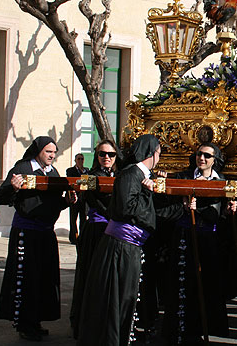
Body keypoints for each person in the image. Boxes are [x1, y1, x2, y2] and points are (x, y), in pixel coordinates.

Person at [77, 134, 183, 345]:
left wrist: (181, 208)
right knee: (115, 299)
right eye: (159, 153)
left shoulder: (141, 176)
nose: (159, 158)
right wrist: (147, 193)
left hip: (131, 247)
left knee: (126, 298)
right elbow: (126, 208)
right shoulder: (130, 174)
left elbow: (153, 210)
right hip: (119, 246)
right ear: (152, 153)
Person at [0, 136, 74, 341]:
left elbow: (54, 203)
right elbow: (1, 197)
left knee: (43, 278)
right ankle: (24, 324)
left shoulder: (53, 173)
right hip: (27, 233)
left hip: (46, 233)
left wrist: (66, 201)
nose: (52, 156)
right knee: (27, 278)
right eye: (48, 152)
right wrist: (13, 187)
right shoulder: (22, 168)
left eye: (54, 152)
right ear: (38, 151)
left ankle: (36, 320)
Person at [163, 142, 234, 345]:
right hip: (186, 234)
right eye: (199, 154)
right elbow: (170, 200)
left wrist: (229, 210)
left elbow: (221, 213)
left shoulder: (222, 181)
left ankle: (207, 327)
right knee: (185, 281)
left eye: (206, 156)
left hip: (209, 238)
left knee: (208, 283)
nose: (201, 158)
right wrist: (184, 205)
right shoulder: (184, 177)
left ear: (214, 160)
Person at [70, 140, 119, 339]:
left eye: (111, 154)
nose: (106, 158)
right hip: (96, 231)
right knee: (89, 276)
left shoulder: (121, 175)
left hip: (114, 231)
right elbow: (90, 199)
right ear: (96, 156)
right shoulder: (89, 177)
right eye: (102, 154)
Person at [66, 153, 88, 245]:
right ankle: (73, 237)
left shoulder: (87, 170)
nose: (80, 160)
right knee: (73, 219)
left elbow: (87, 183)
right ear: (75, 160)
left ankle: (82, 237)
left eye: (82, 159)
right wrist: (81, 181)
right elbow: (72, 182)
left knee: (83, 219)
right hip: (74, 197)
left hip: (83, 198)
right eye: (78, 159)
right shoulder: (70, 170)